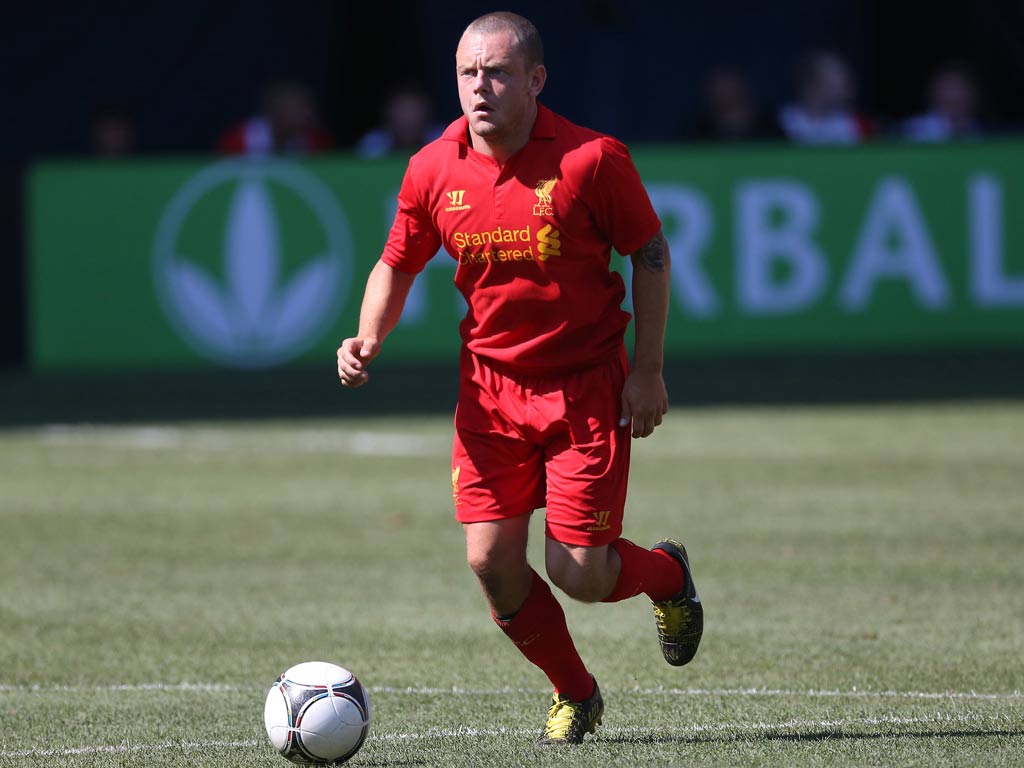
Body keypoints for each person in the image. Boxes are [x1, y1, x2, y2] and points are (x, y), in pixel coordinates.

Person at [336, 11, 702, 745]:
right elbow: (397, 262)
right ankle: (576, 692)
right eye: (468, 73)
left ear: (536, 79)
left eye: (498, 73)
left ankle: (667, 575)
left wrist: (648, 370)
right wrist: (368, 335)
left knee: (580, 573)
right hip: (489, 394)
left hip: (585, 388)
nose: (481, 87)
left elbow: (650, 253)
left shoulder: (592, 159)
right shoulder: (433, 167)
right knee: (490, 561)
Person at [778, 50, 873, 145]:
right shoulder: (781, 122)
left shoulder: (859, 125)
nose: (845, 85)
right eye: (832, 79)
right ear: (809, 83)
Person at [218, 78, 331, 156]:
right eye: (296, 109)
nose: (306, 115)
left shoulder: (315, 141)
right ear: (275, 112)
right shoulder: (238, 141)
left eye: (307, 108)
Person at [688, 68, 781, 142]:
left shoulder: (766, 123)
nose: (726, 95)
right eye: (721, 90)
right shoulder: (700, 127)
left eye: (730, 88)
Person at [355, 86, 444, 158]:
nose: (408, 118)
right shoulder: (372, 145)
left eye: (414, 110)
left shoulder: (442, 140)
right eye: (403, 110)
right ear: (389, 112)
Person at [902, 65, 982, 142]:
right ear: (933, 93)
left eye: (960, 88)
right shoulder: (913, 130)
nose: (954, 96)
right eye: (948, 88)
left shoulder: (981, 132)